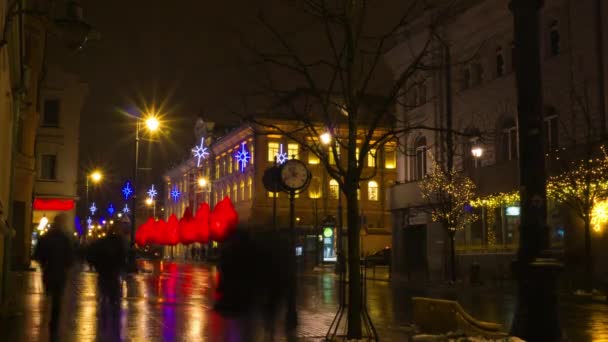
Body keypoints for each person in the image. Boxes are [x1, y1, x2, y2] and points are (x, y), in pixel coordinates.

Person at [32, 213, 75, 340]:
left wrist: (45, 264)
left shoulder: (46, 237)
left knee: (48, 296)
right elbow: (70, 258)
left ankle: (45, 320)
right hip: (60, 273)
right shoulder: (65, 238)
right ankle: (53, 326)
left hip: (49, 272)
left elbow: (37, 255)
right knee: (57, 300)